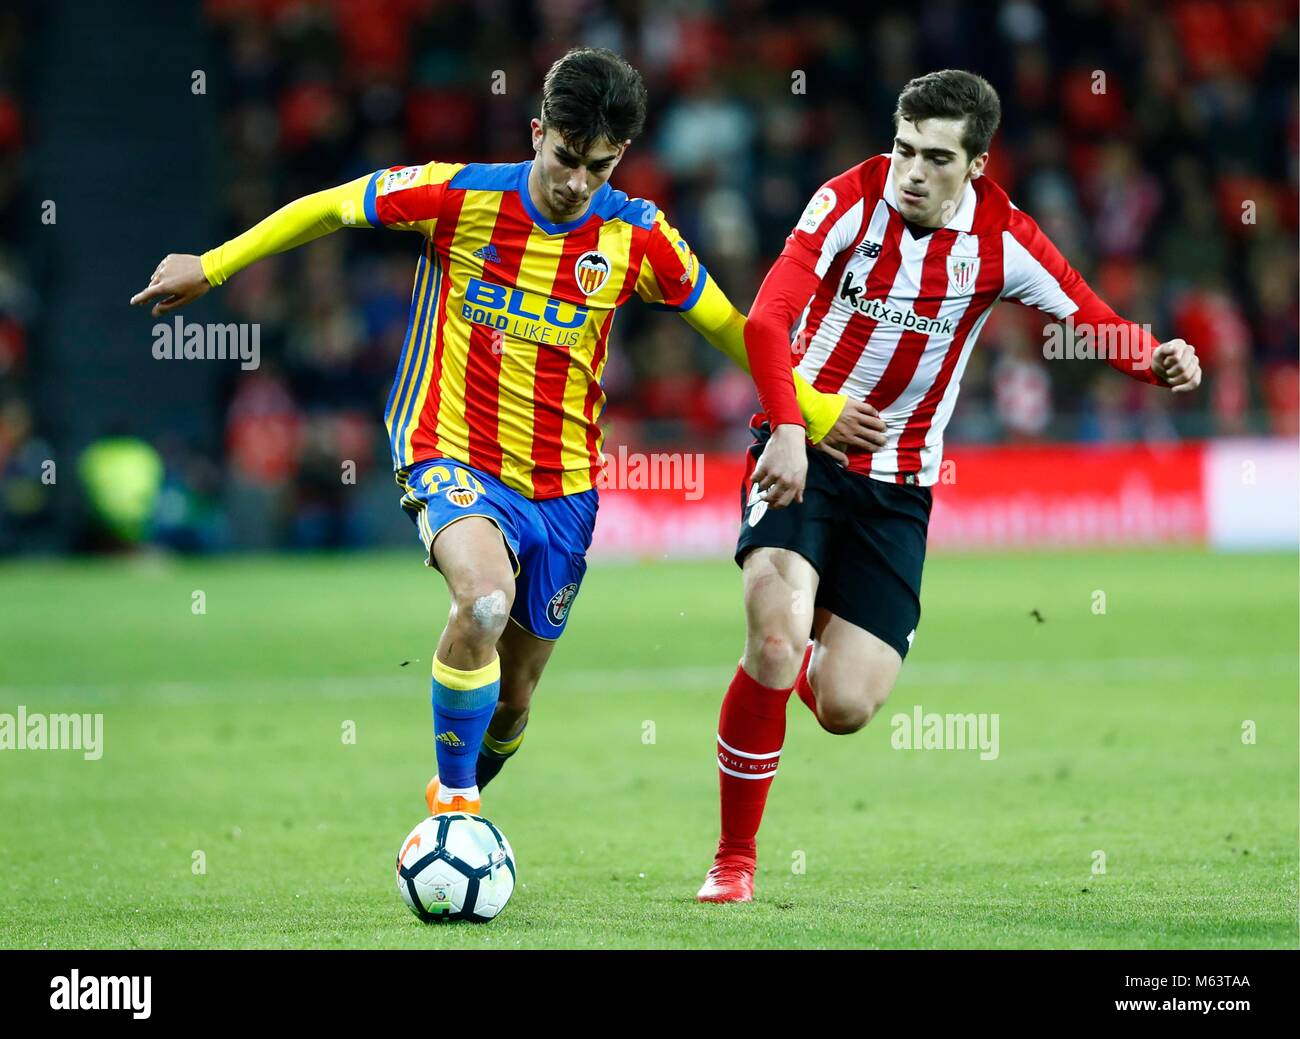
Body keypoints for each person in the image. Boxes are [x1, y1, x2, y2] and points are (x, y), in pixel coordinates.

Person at [130, 47, 884, 820]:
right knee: (484, 602)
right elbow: (328, 206)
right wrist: (214, 265)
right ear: (536, 133)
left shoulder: (639, 234)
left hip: (563, 487)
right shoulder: (456, 195)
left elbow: (728, 323)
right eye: (565, 158)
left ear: (619, 155)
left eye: (599, 166)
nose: (577, 183)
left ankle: (459, 800)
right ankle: (454, 815)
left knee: (515, 699)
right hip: (447, 447)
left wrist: (815, 411)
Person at [697, 68, 1202, 903]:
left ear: (976, 164)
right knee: (774, 640)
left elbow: (1087, 314)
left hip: (899, 488)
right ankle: (733, 859)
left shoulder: (1003, 239)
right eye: (903, 149)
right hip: (805, 456)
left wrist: (1155, 359)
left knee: (849, 703)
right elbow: (765, 320)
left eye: (936, 157)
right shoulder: (843, 204)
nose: (912, 171)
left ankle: (806, 643)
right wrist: (795, 425)